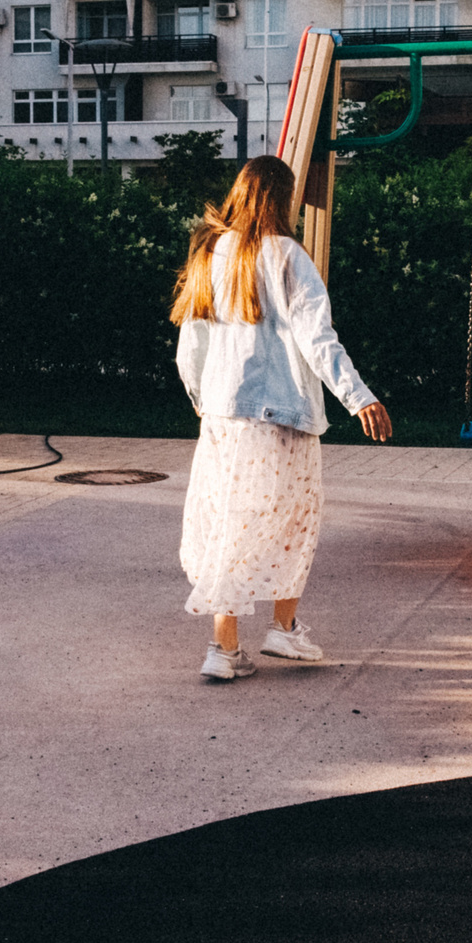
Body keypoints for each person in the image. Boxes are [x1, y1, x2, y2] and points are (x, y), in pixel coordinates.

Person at [171, 154, 393, 682]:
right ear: (282, 199)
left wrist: (205, 399)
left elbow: (190, 345)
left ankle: (245, 643)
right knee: (292, 524)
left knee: (231, 524)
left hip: (223, 418)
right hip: (283, 417)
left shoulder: (210, 253)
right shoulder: (289, 257)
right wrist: (359, 396)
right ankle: (263, 636)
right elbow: (319, 340)